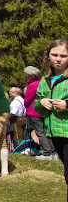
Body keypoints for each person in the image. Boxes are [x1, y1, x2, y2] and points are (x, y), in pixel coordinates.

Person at [35, 38, 68, 196]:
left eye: (63, 55)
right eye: (55, 55)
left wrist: (66, 105)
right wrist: (42, 102)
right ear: (48, 57)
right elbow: (37, 107)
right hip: (55, 133)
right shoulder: (45, 81)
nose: (58, 59)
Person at [25, 65, 58, 160]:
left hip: (35, 110)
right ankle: (54, 151)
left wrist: (26, 105)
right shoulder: (44, 82)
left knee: (40, 132)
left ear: (30, 76)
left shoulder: (33, 85)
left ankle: (47, 152)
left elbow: (28, 99)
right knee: (48, 131)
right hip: (45, 110)